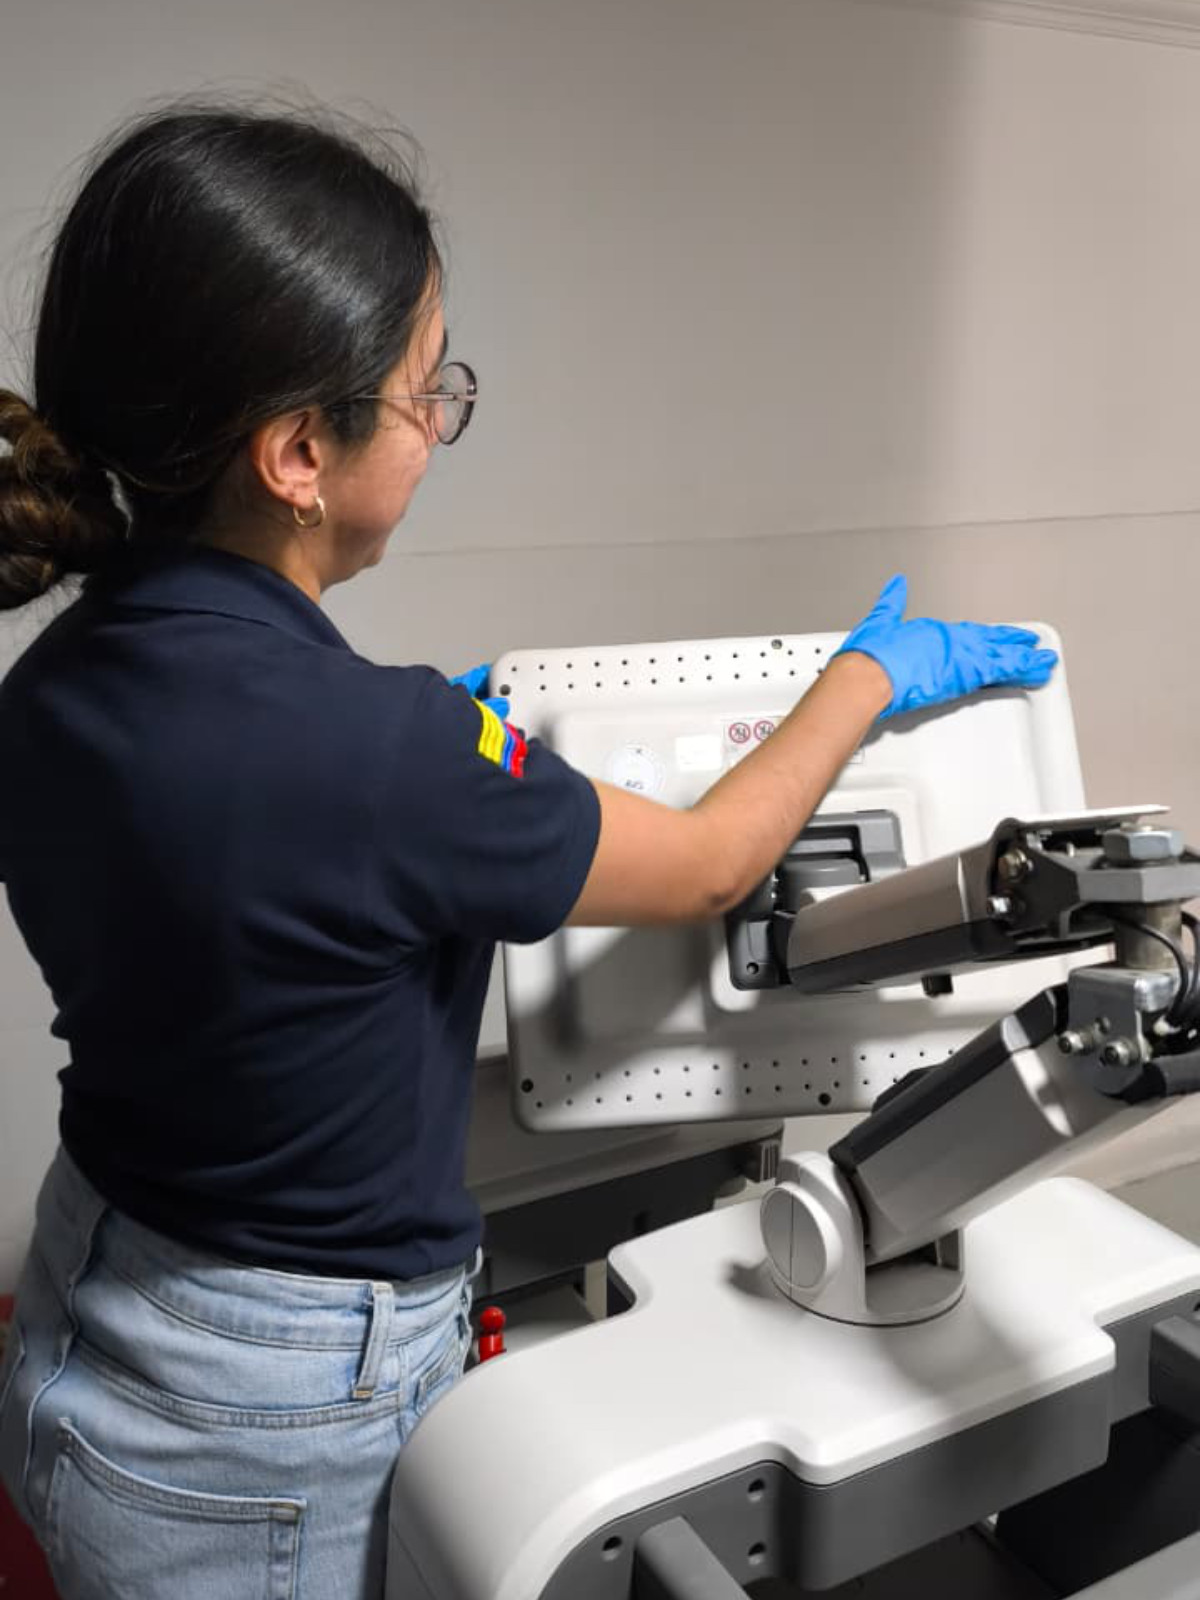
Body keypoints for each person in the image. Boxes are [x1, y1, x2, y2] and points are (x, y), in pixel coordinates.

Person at [0, 102, 1056, 1600]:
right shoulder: (390, 755)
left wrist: (428, 764)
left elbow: (230, 852)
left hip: (96, 1289)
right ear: (298, 451)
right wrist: (867, 677)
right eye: (427, 391)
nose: (437, 426)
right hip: (281, 1408)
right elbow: (711, 865)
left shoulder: (50, 686)